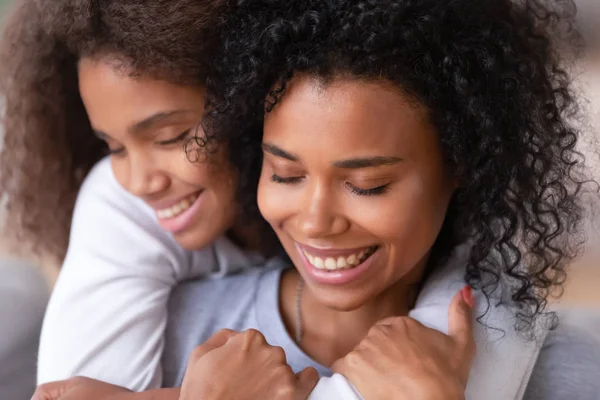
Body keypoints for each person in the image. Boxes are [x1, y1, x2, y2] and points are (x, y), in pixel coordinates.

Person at [32, 0, 600, 399]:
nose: (315, 220)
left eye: (367, 184)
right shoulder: (171, 329)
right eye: (284, 174)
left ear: (464, 168)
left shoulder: (564, 369)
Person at [0, 0, 277, 390]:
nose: (140, 180)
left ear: (248, 95)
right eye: (115, 148)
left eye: (170, 137)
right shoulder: (119, 206)